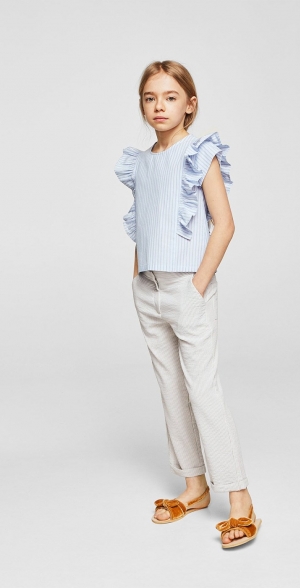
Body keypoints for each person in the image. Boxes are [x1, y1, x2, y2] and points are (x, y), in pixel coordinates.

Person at [114, 60, 261, 549]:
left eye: (170, 97)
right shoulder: (141, 161)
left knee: (203, 391)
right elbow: (144, 222)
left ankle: (240, 499)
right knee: (171, 389)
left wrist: (197, 286)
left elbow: (224, 224)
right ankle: (194, 486)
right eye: (150, 97)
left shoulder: (200, 153)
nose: (159, 106)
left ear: (189, 105)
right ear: (142, 105)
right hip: (149, 288)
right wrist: (137, 276)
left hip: (187, 288)